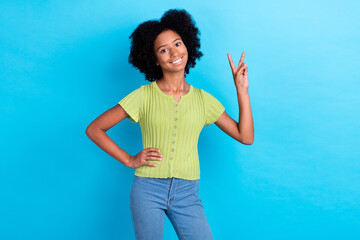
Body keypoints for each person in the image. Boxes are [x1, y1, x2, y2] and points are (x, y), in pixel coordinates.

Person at [85, 8, 254, 240]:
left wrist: (241, 91)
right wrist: (129, 159)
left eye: (177, 44)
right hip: (147, 189)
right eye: (163, 49)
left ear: (187, 46)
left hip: (188, 193)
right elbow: (94, 129)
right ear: (154, 59)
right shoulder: (143, 96)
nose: (173, 52)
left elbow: (245, 137)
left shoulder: (204, 100)